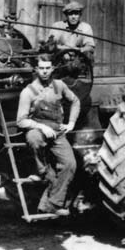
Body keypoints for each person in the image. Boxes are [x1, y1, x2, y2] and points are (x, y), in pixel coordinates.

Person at [16, 54, 81, 216]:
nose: (45, 72)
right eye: (41, 68)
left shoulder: (59, 85)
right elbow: (21, 121)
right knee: (33, 138)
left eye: (47, 68)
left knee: (70, 165)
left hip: (58, 132)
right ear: (36, 69)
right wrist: (41, 127)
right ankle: (43, 172)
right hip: (38, 129)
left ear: (52, 69)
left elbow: (75, 101)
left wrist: (71, 122)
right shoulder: (28, 92)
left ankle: (52, 203)